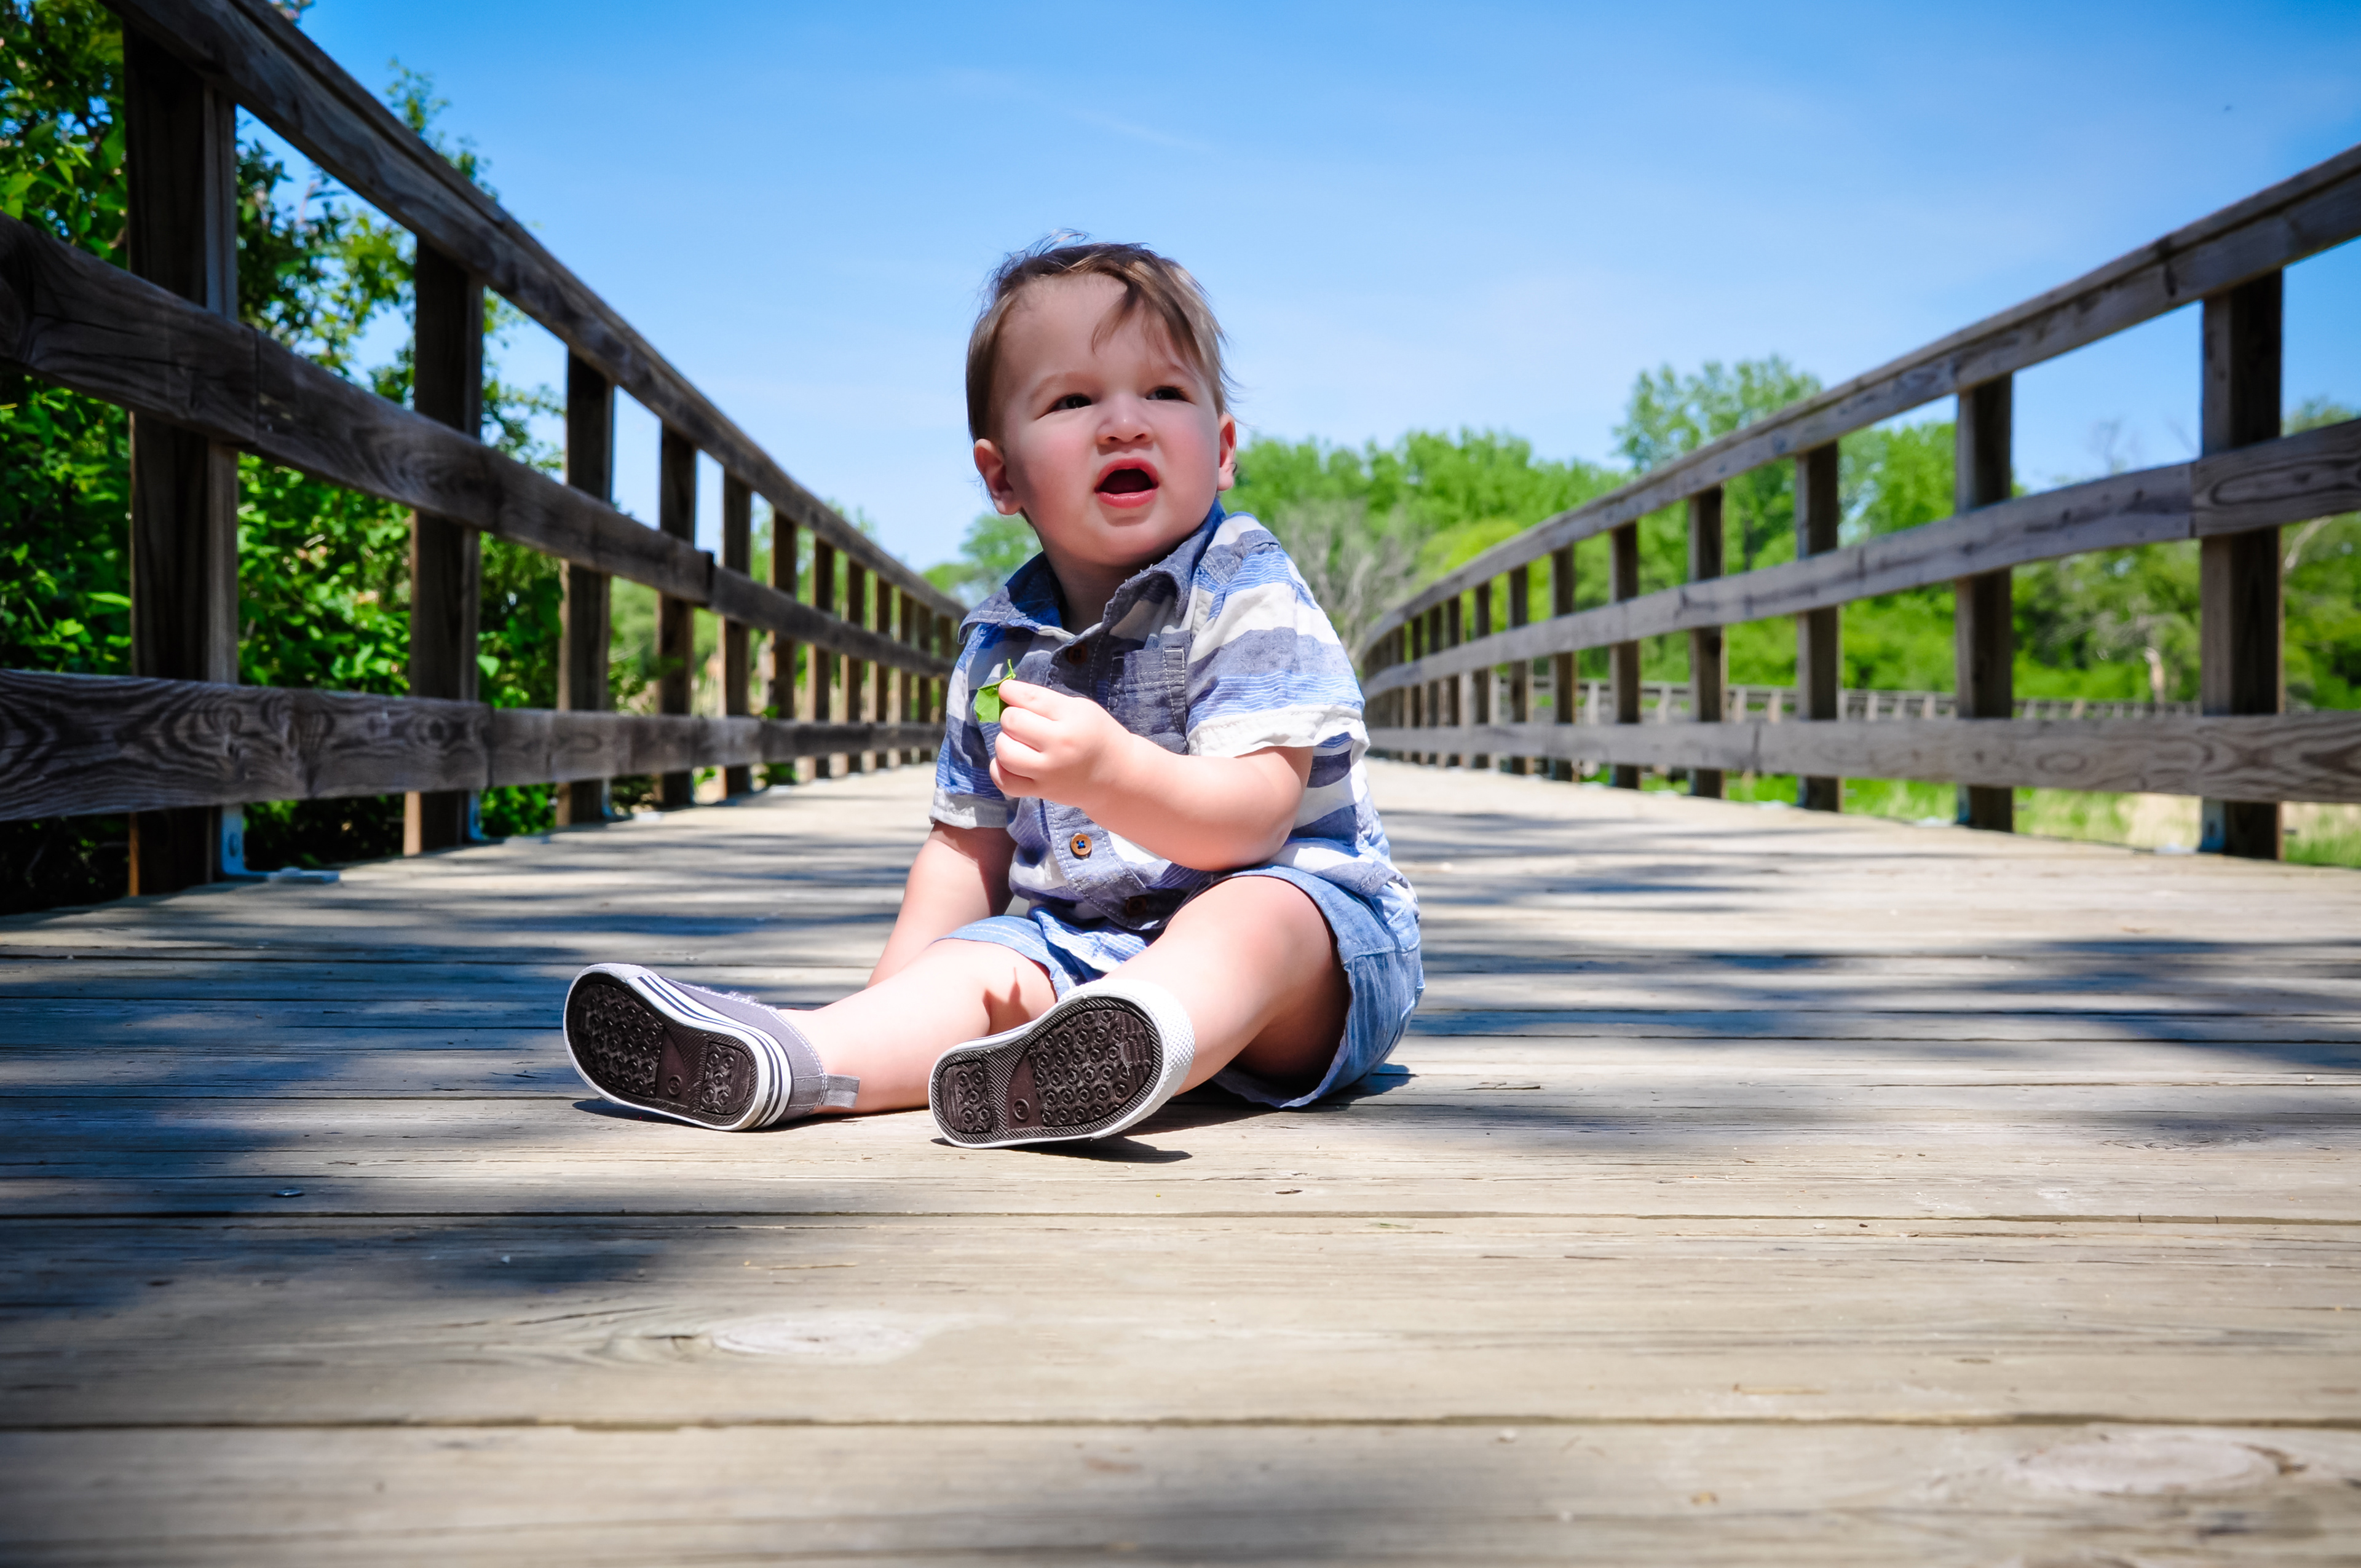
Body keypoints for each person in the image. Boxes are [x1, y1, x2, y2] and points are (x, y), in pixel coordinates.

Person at [561, 239, 1421, 1148]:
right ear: (1002, 475)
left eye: (1165, 392)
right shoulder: (999, 644)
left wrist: (1110, 772)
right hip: (1082, 954)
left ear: (1222, 450)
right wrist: (895, 996)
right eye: (1074, 401)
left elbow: (1255, 816)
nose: (1125, 424)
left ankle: (1136, 1032)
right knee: (977, 962)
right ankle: (805, 1058)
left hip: (1312, 964)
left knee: (1253, 916)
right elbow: (964, 851)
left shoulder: (1245, 585)